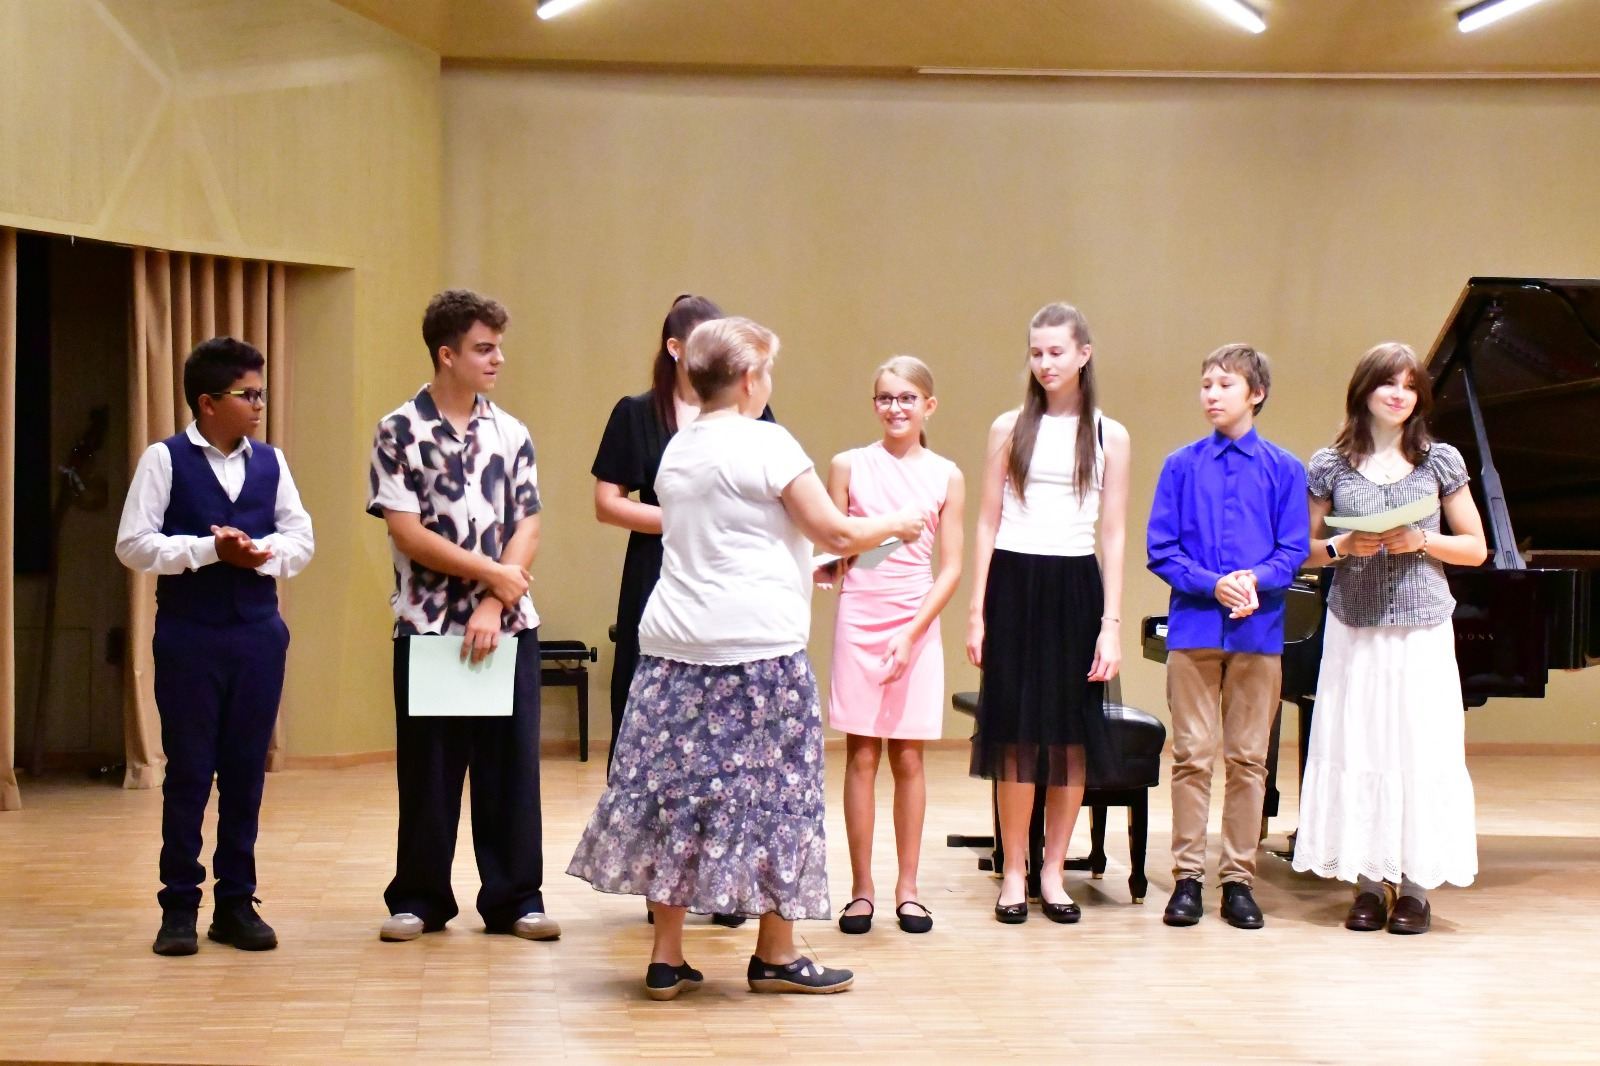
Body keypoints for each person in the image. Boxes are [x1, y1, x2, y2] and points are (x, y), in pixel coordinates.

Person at [568, 316, 924, 1000]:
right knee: (777, 797)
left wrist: (807, 563)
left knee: (674, 798)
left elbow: (732, 540)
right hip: (757, 655)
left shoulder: (679, 449)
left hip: (672, 651)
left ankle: (666, 957)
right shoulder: (767, 442)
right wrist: (897, 525)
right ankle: (777, 955)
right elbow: (836, 529)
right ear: (749, 379)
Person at [367, 289, 559, 944]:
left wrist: (495, 599)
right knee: (430, 771)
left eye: (498, 347)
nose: (497, 359)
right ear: (446, 355)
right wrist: (490, 574)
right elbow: (406, 532)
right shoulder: (399, 430)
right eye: (484, 348)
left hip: (507, 626)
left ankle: (516, 899)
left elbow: (528, 523)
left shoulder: (512, 432)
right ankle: (419, 898)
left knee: (510, 771)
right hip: (427, 627)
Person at [116, 336, 315, 956]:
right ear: (208, 402)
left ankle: (236, 903)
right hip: (190, 636)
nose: (259, 404)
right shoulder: (165, 459)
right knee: (190, 772)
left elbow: (301, 539)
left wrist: (260, 554)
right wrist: (208, 550)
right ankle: (179, 906)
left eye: (261, 393)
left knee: (245, 773)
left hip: (258, 635)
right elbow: (133, 544)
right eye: (247, 394)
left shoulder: (272, 462)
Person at [591, 294, 773, 930]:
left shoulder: (752, 411)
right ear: (675, 349)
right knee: (658, 731)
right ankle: (660, 884)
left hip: (730, 578)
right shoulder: (637, 412)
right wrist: (681, 519)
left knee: (729, 738)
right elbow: (607, 502)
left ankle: (725, 884)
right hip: (659, 572)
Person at [1293, 342, 1485, 935]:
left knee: (1417, 747)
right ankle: (1368, 884)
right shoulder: (1330, 463)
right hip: (1354, 626)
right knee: (1360, 745)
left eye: (1409, 386)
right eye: (1388, 384)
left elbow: (1476, 548)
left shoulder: (1439, 460)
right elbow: (1298, 550)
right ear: (1364, 391)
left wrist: (1422, 540)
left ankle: (1416, 890)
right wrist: (1341, 546)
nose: (1399, 395)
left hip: (1421, 628)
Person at [966, 302, 1130, 926]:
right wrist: (977, 611)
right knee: (1015, 737)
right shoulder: (1008, 426)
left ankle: (1054, 873)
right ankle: (1014, 871)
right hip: (1014, 581)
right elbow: (987, 521)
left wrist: (1111, 624)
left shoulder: (1109, 435)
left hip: (1074, 586)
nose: (1045, 363)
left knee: (1069, 739)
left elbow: (1113, 532)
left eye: (1056, 352)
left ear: (1084, 354)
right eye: (1036, 352)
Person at [1146, 344, 1309, 930]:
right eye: (1206, 385)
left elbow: (1292, 550)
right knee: (1192, 756)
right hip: (1194, 628)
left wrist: (1253, 580)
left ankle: (1238, 879)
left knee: (1249, 759)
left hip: (1258, 631)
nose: (1211, 395)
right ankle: (1187, 878)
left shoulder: (1285, 469)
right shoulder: (1180, 465)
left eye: (1225, 385)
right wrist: (1213, 584)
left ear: (1255, 394)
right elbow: (1162, 549)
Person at [825, 356, 964, 936]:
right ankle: (862, 889)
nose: (895, 408)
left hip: (916, 618)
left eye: (907, 398)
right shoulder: (848, 465)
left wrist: (911, 633)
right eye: (885, 397)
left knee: (909, 757)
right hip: (860, 615)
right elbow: (838, 542)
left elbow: (950, 567)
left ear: (929, 405)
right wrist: (833, 564)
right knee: (860, 754)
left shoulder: (947, 475)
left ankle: (909, 889)